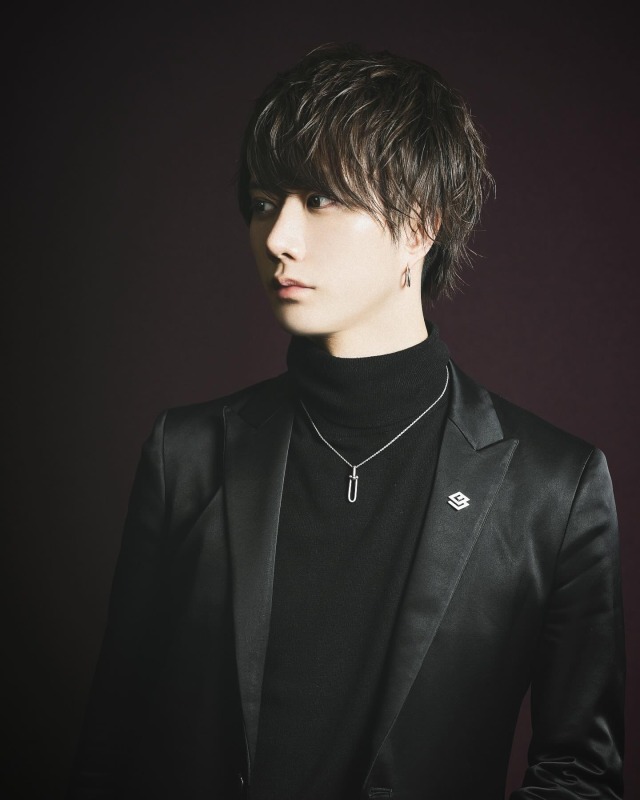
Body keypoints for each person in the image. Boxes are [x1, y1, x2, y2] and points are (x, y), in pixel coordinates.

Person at [68, 43, 625, 799]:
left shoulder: (555, 488)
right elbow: (111, 746)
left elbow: (580, 773)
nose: (278, 237)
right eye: (264, 202)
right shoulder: (187, 455)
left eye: (321, 199)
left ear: (421, 223)